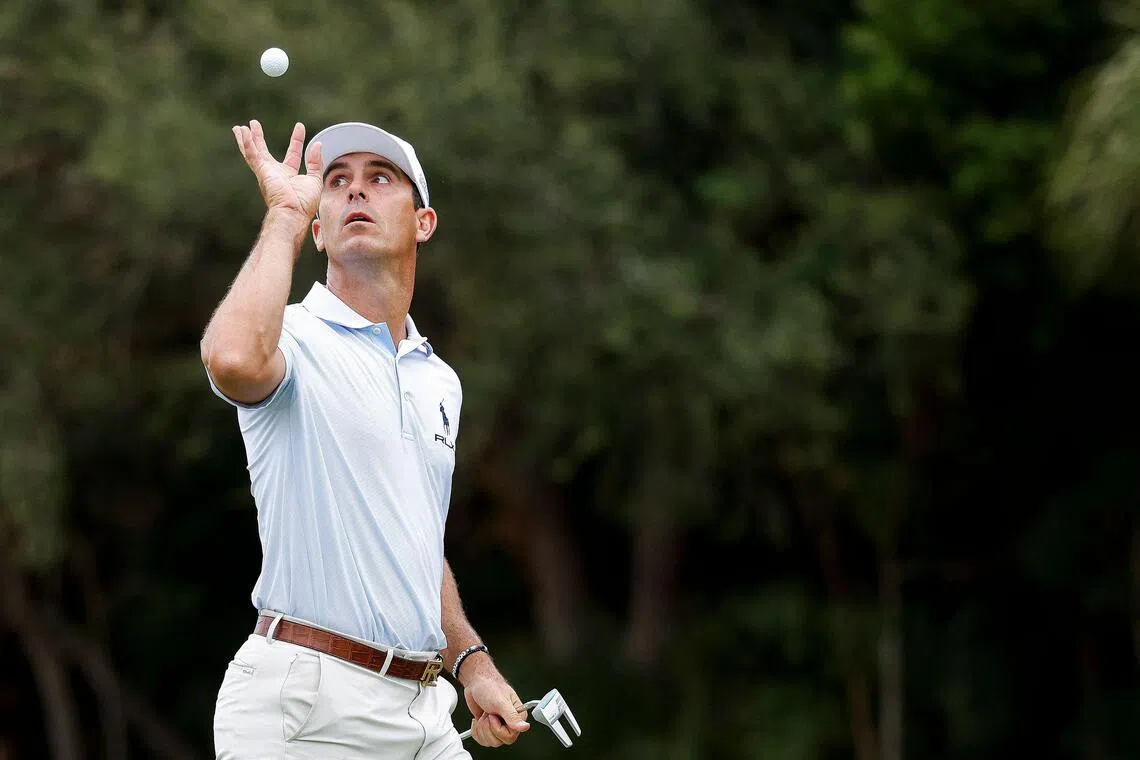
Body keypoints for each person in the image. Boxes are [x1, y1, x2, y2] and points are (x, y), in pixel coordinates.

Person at [202, 119, 530, 759]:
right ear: (319, 229)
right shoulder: (290, 337)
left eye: (380, 179)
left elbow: (412, 543)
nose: (356, 192)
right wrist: (286, 216)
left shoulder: (440, 380)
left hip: (422, 715)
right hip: (302, 706)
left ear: (423, 223)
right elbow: (234, 359)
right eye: (337, 182)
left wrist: (472, 664)